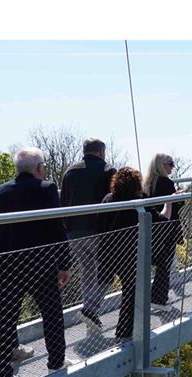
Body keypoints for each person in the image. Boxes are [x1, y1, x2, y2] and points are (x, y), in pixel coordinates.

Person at [0, 148, 73, 377]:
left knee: (5, 321)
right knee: (52, 315)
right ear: (38, 168)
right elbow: (57, 228)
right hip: (40, 265)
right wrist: (64, 265)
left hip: (4, 266)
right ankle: (56, 363)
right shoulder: (45, 189)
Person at [99, 167, 171, 340]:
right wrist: (169, 202)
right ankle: (124, 332)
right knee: (132, 291)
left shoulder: (107, 199)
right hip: (132, 253)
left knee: (115, 286)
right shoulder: (139, 200)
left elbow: (100, 225)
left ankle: (116, 327)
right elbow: (161, 220)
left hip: (109, 252)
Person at [60, 138, 116, 332]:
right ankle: (90, 310)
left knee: (87, 270)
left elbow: (63, 201)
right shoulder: (108, 170)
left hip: (74, 231)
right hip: (98, 230)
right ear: (101, 152)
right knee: (108, 271)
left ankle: (89, 310)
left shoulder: (70, 171)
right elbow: (113, 201)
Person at [143, 153, 183, 312]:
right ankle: (159, 299)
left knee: (152, 262)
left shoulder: (147, 183)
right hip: (167, 227)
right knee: (164, 263)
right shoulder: (166, 183)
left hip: (151, 228)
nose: (172, 166)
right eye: (170, 163)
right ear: (161, 164)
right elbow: (174, 205)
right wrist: (180, 197)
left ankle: (148, 298)